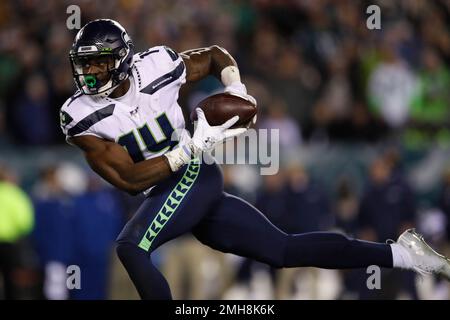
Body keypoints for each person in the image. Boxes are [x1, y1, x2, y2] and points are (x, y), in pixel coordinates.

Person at [60, 19, 450, 300]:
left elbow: (214, 56)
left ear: (124, 59)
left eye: (99, 63)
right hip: (171, 177)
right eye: (85, 64)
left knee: (131, 247)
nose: (90, 73)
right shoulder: (79, 115)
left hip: (194, 176)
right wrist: (189, 148)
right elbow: (128, 178)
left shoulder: (156, 66)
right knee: (282, 250)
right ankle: (402, 254)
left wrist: (238, 89)